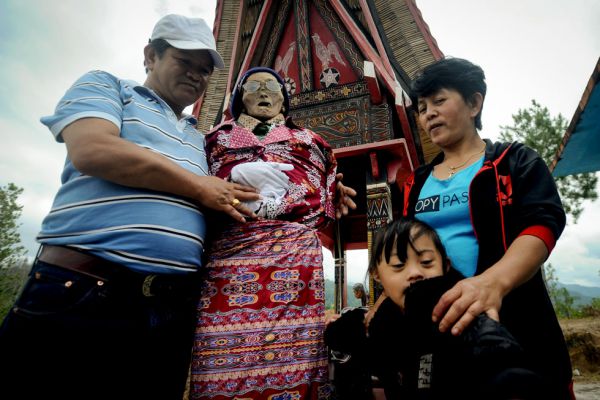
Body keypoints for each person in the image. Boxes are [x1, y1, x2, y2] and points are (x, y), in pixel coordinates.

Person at [0, 14, 263, 400]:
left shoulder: (200, 138)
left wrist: (321, 185)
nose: (196, 75)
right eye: (184, 62)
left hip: (170, 308)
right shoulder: (107, 87)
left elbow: (239, 185)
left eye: (205, 70)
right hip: (86, 289)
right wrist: (198, 185)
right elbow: (94, 150)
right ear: (150, 56)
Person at [402, 57, 573, 398]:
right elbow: (402, 253)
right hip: (439, 329)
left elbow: (543, 223)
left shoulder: (513, 162)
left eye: (439, 101)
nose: (428, 114)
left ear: (474, 102)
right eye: (422, 108)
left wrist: (492, 283)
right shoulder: (416, 183)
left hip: (514, 321)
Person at [189, 67, 340, 399]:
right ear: (238, 96)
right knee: (220, 356)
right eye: (253, 86)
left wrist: (286, 203)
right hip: (230, 255)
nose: (263, 92)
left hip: (293, 257)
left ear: (284, 99)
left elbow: (325, 198)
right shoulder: (213, 140)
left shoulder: (313, 142)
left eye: (272, 87)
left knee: (296, 356)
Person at [325, 218, 550, 399]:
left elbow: (490, 347)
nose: (414, 273)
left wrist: (509, 377)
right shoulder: (383, 322)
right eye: (398, 265)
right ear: (377, 274)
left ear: (446, 266)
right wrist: (334, 326)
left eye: (426, 263)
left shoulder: (452, 308)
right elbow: (351, 336)